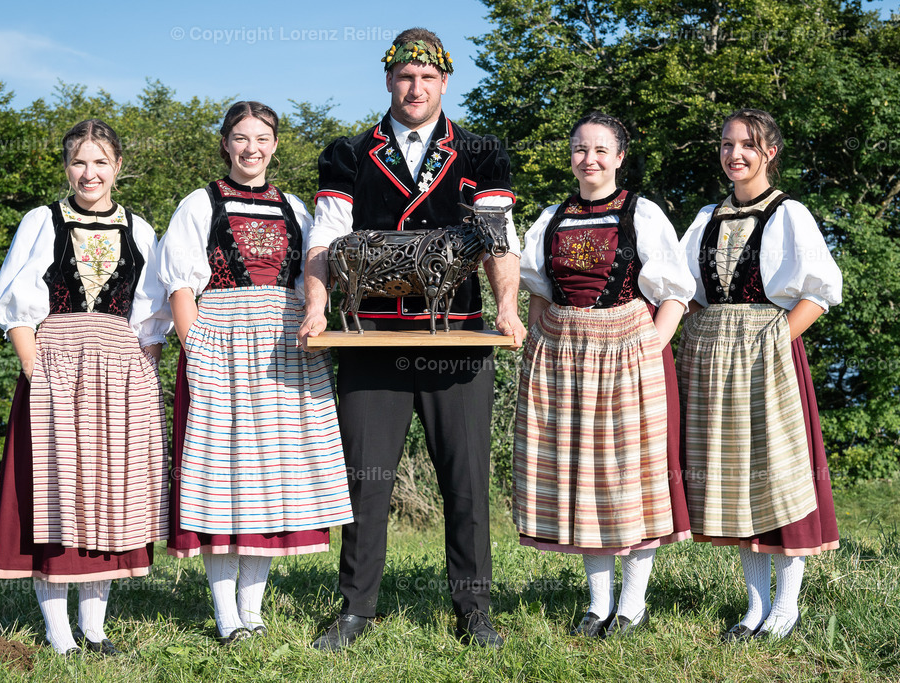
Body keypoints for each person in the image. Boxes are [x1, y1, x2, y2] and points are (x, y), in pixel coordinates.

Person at [299, 27, 526, 650]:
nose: (416, 87)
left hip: (459, 335)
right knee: (365, 482)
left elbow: (498, 237)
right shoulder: (348, 153)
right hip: (370, 339)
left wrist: (507, 308)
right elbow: (326, 237)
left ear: (444, 82)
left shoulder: (480, 152)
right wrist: (317, 307)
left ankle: (474, 609)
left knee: (466, 480)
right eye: (405, 76)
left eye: (427, 77)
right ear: (388, 79)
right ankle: (355, 609)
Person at [158, 101, 353, 645]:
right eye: (241, 138)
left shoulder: (295, 207)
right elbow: (179, 285)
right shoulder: (200, 203)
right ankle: (226, 615)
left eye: (262, 138)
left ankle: (253, 609)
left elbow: (313, 278)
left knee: (271, 482)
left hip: (284, 351)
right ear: (226, 143)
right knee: (222, 482)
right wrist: (197, 350)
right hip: (221, 348)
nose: (252, 148)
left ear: (275, 145)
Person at [0, 119, 172, 656]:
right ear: (67, 168)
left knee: (111, 495)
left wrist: (145, 379)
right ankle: (58, 631)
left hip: (121, 375)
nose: (89, 173)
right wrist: (37, 374)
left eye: (100, 162)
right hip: (56, 369)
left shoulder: (140, 229)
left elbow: (150, 319)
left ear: (118, 166)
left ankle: (94, 628)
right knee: (59, 493)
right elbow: (16, 305)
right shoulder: (42, 221)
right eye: (79, 162)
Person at [516, 111, 693, 638]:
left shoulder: (643, 213)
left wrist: (650, 347)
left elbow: (675, 293)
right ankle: (597, 606)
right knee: (581, 479)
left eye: (599, 150)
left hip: (628, 354)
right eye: (579, 149)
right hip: (565, 356)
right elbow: (537, 291)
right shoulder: (551, 217)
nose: (588, 159)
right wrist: (538, 343)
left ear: (619, 157)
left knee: (628, 478)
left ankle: (632, 606)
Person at [677, 108, 842, 640]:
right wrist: (703, 329)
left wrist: (772, 340)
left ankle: (786, 607)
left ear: (769, 152)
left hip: (768, 357)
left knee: (777, 473)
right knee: (734, 481)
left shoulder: (789, 214)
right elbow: (680, 289)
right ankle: (754, 607)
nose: (735, 155)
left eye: (747, 145)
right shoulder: (707, 217)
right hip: (711, 361)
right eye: (727, 144)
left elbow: (820, 290)